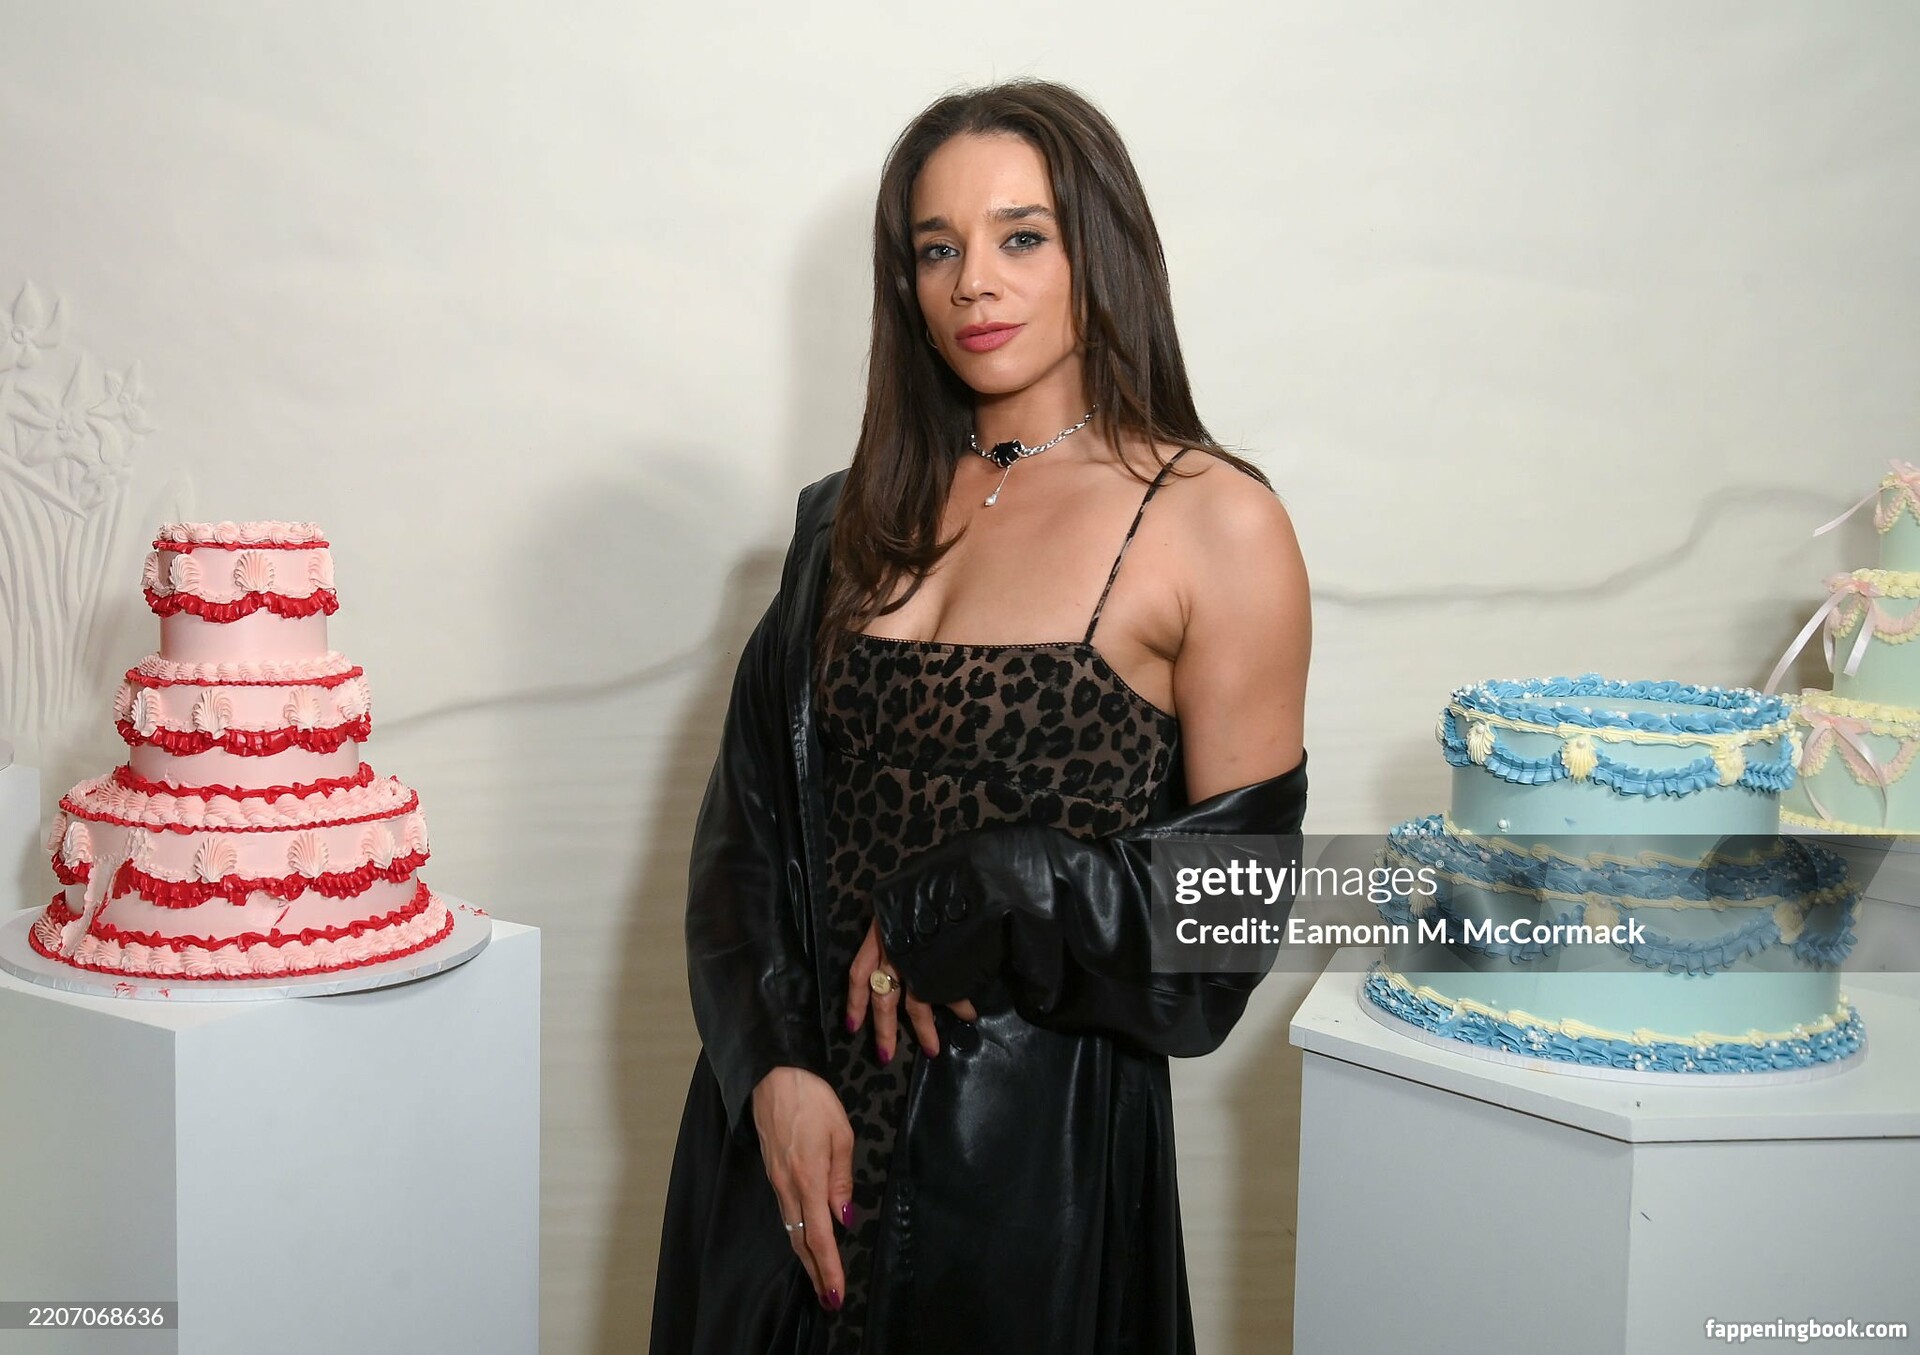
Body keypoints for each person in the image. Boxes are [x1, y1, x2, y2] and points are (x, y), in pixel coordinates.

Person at [650, 78, 1310, 1355]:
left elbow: (1230, 924)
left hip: (1021, 1186)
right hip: (782, 1158)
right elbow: (743, 839)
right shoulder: (845, 517)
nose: (974, 284)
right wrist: (768, 1069)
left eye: (1021, 236)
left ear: (1099, 250)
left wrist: (992, 884)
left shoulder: (1213, 522)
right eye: (936, 248)